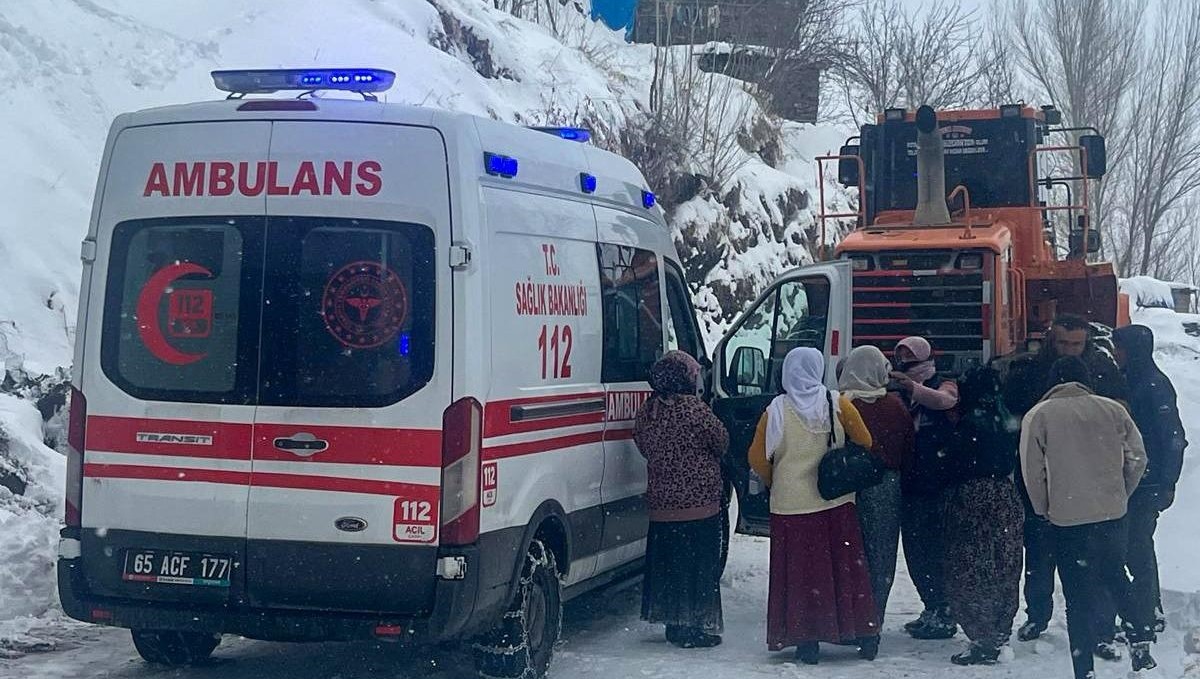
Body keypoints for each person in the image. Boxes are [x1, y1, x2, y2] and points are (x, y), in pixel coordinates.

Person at [1019, 356, 1156, 679]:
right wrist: (1122, 492)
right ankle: (1140, 640)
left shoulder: (1039, 415)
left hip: (1067, 518)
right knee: (1115, 575)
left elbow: (1031, 471)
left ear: (1054, 381)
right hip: (1111, 513)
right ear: (1086, 380)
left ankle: (1085, 669)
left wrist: (1043, 509)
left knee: (1077, 594)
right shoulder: (1112, 409)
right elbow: (1137, 457)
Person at [1001, 314, 1129, 653]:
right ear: (1050, 341)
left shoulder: (1101, 371)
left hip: (1090, 483)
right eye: (1064, 343)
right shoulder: (1029, 372)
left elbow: (1125, 426)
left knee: (1097, 564)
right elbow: (1014, 422)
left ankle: (1102, 628)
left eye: (1077, 344)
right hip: (1043, 479)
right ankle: (1038, 615)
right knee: (1039, 558)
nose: (1070, 350)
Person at [748, 347, 879, 665]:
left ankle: (806, 638)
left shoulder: (775, 410)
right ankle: (862, 632)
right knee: (844, 568)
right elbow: (866, 441)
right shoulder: (838, 403)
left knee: (802, 575)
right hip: (834, 501)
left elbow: (756, 457)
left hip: (791, 505)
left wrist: (774, 479)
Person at [634, 351, 729, 649]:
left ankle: (674, 624)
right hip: (699, 505)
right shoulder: (695, 410)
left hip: (662, 506)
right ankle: (696, 626)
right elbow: (721, 441)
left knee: (671, 566)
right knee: (698, 568)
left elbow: (641, 442)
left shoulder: (648, 412)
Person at [941, 365, 1024, 665]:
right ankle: (1000, 631)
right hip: (1005, 497)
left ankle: (982, 636)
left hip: (972, 500)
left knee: (971, 569)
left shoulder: (969, 424)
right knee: (1003, 567)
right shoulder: (1005, 419)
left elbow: (952, 462)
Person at [1112, 325, 1188, 634]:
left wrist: (1167, 481)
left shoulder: (1154, 385)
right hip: (1132, 480)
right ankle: (1144, 610)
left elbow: (1173, 437)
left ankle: (1147, 613)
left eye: (1120, 348)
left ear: (1134, 350)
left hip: (1148, 483)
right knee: (1130, 547)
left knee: (1137, 548)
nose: (1115, 353)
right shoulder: (1130, 380)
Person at [838, 345, 914, 630]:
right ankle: (873, 619)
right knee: (880, 555)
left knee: (849, 552)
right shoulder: (895, 406)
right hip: (886, 487)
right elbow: (908, 449)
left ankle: (847, 616)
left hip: (847, 487)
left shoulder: (841, 405)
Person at [891, 336, 960, 640]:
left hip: (938, 482)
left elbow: (946, 401)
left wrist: (913, 388)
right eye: (901, 356)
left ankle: (944, 610)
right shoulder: (899, 393)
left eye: (910, 356)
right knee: (916, 552)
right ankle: (930, 605)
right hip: (910, 482)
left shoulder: (944, 383)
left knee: (936, 550)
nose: (905, 361)